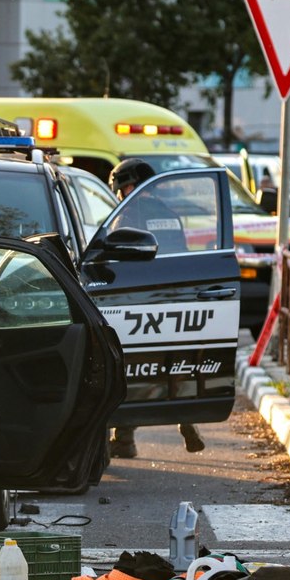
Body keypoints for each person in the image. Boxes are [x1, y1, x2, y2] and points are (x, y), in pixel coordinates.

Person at [105, 158, 204, 459]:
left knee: (127, 369)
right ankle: (186, 418)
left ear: (129, 186)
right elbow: (182, 254)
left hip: (136, 299)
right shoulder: (169, 213)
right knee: (174, 365)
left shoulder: (127, 214)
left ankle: (124, 439)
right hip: (171, 296)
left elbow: (114, 258)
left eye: (120, 190)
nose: (120, 196)